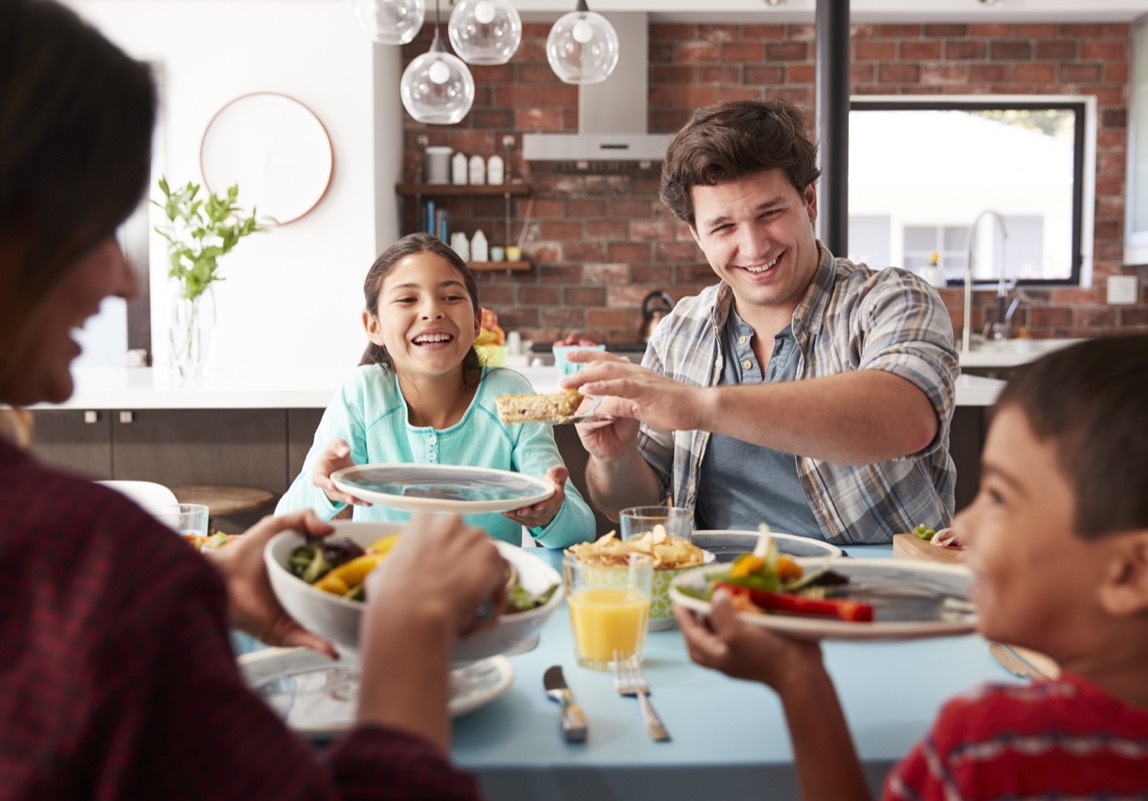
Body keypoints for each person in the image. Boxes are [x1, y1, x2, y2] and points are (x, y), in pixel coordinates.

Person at [0, 1, 509, 798]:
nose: (127, 277)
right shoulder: (95, 566)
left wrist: (196, 588)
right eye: (103, 226)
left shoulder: (111, 578)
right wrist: (408, 629)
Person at [677, 335, 1148, 799]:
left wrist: (799, 681)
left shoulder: (994, 747)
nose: (963, 527)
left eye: (998, 497)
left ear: (1135, 572)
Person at [562, 99, 958, 544]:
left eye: (769, 214)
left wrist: (701, 405)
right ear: (697, 235)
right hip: (713, 590)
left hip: (869, 590)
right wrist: (615, 459)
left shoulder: (891, 299)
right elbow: (632, 504)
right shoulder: (678, 332)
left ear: (808, 201)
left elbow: (907, 418)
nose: (753, 248)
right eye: (723, 227)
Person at [276, 232, 595, 549]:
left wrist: (551, 514)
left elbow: (581, 532)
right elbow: (284, 522)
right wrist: (326, 490)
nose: (432, 311)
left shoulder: (507, 392)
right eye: (407, 299)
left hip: (487, 589)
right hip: (384, 586)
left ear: (476, 322)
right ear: (373, 326)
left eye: (451, 297)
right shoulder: (363, 395)